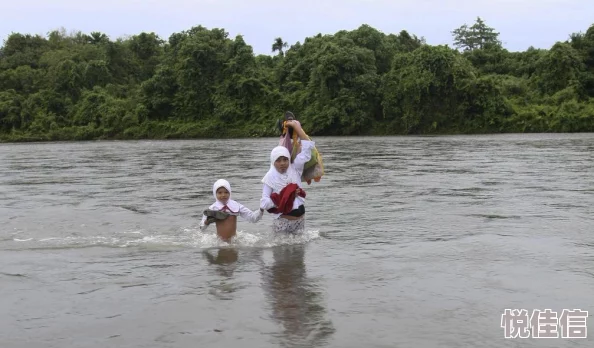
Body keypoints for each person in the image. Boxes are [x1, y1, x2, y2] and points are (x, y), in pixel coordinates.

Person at [260, 120, 315, 234]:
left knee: (300, 251)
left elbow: (307, 150)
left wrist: (297, 128)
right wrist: (285, 196)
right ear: (273, 161)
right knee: (281, 251)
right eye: (278, 160)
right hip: (283, 223)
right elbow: (264, 203)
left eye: (285, 159)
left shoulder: (295, 169)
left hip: (300, 220)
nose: (282, 163)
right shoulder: (269, 177)